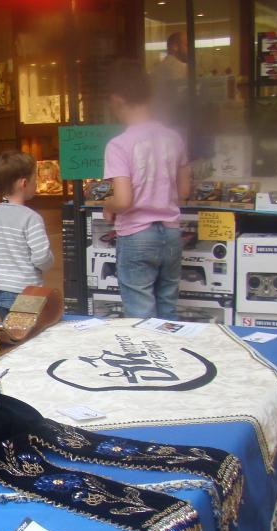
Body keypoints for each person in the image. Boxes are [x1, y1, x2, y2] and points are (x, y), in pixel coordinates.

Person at [102, 60, 190, 320]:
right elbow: (183, 191)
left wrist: (108, 204)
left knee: (141, 317)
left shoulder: (118, 145)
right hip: (171, 234)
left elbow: (124, 199)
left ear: (117, 101)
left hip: (137, 236)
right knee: (167, 312)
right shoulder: (173, 138)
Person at [0, 150, 54, 320]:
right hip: (26, 292)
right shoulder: (31, 218)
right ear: (24, 183)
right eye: (35, 180)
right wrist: (49, 261)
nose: (36, 184)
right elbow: (41, 257)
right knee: (29, 339)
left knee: (12, 336)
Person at [151, 31, 188, 127]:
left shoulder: (158, 68)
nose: (189, 50)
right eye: (186, 45)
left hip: (160, 120)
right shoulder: (176, 67)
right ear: (175, 47)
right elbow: (182, 98)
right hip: (175, 121)